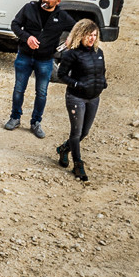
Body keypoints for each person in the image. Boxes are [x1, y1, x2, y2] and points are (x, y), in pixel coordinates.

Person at [6, 0, 75, 138]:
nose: (45, 0)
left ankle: (36, 122)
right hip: (24, 56)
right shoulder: (30, 7)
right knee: (19, 89)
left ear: (58, 1)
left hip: (45, 60)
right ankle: (15, 118)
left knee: (42, 93)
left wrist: (70, 40)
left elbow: (77, 28)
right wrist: (27, 37)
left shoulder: (62, 16)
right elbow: (15, 25)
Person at [55, 20, 107, 182]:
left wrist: (103, 82)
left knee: (84, 132)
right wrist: (77, 84)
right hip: (76, 97)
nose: (92, 38)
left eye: (94, 35)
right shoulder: (71, 54)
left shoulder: (99, 52)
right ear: (80, 35)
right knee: (76, 133)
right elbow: (61, 75)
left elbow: (102, 70)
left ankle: (64, 149)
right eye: (88, 35)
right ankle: (78, 164)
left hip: (94, 98)